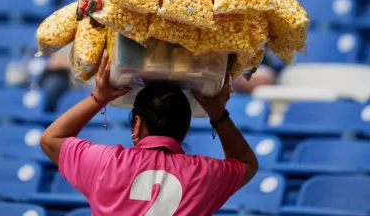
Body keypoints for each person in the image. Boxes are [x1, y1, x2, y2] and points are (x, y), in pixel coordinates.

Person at [40, 50, 259, 215]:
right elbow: (247, 163)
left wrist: (99, 97)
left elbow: (51, 139)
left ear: (137, 123)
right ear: (185, 130)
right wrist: (218, 115)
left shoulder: (104, 163)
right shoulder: (206, 174)